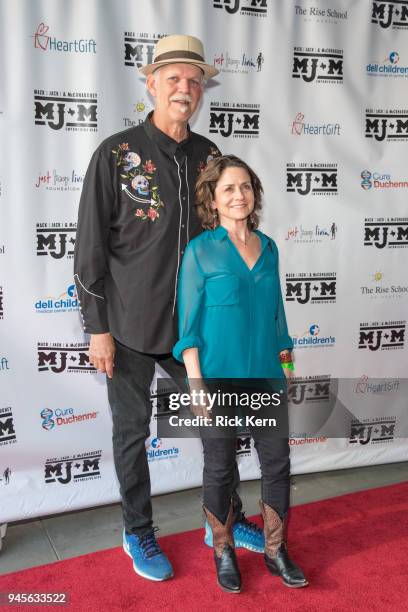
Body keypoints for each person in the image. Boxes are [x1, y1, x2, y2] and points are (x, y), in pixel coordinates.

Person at [74, 35, 264, 583]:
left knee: (219, 429)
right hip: (130, 327)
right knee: (132, 436)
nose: (185, 89)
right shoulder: (116, 154)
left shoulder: (211, 157)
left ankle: (221, 521)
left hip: (198, 331)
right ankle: (137, 530)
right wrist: (98, 329)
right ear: (151, 82)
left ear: (203, 89)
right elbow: (89, 248)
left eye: (194, 80)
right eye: (174, 78)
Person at [173, 155, 308, 593]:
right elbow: (187, 328)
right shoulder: (200, 251)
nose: (239, 195)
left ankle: (275, 550)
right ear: (212, 199)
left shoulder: (269, 248)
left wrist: (285, 369)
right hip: (217, 379)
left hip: (266, 376)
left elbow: (278, 319)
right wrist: (196, 385)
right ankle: (224, 549)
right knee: (219, 469)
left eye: (246, 186)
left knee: (277, 465)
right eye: (229, 188)